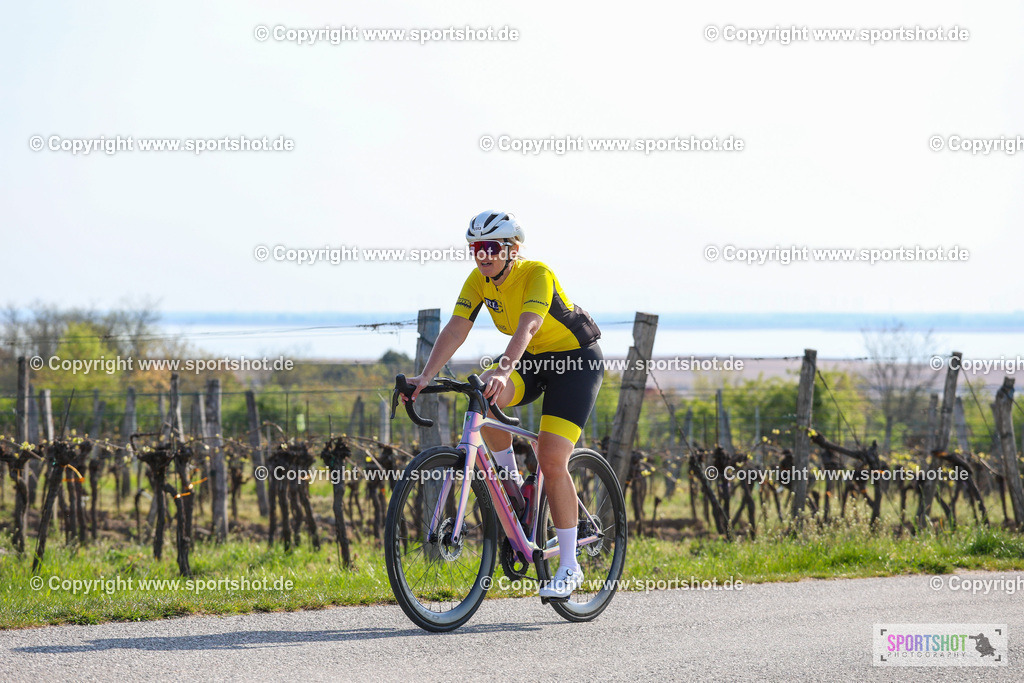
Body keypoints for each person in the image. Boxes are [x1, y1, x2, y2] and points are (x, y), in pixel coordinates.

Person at [404, 210, 604, 599]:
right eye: (476, 248)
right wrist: (425, 376)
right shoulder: (479, 280)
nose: (483, 255)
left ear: (512, 250)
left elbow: (529, 326)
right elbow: (457, 327)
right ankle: (513, 488)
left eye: (491, 247)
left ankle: (569, 566)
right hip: (530, 360)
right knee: (484, 400)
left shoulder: (536, 274)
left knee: (551, 458)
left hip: (575, 361)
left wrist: (504, 369)